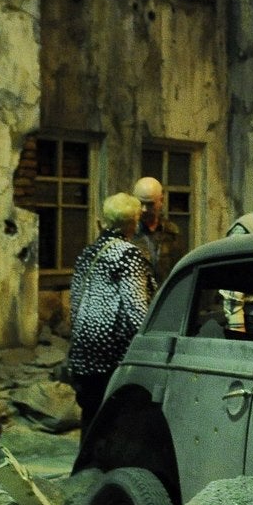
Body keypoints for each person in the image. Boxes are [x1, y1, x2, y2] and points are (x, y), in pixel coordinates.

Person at [67, 193, 156, 436]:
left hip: (83, 353)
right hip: (111, 357)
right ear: (133, 223)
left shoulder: (88, 252)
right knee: (114, 428)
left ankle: (85, 471)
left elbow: (75, 303)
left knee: (91, 424)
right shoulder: (128, 255)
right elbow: (137, 312)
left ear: (103, 221)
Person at [129, 176, 184, 284]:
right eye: (140, 203)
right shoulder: (127, 233)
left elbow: (178, 270)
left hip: (164, 296)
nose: (144, 209)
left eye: (149, 204)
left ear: (161, 201)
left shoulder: (172, 232)